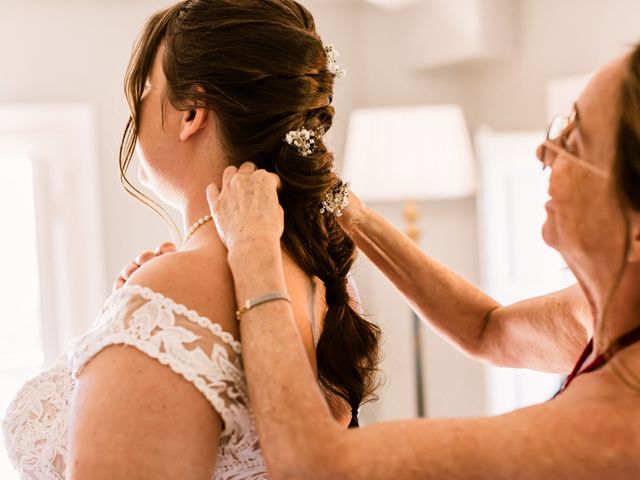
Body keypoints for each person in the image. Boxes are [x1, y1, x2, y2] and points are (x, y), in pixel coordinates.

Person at [195, 46, 640, 478]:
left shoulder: (619, 428)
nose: (543, 153)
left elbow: (313, 465)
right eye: (560, 127)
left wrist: (253, 250)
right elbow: (486, 327)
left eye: (576, 143)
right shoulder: (606, 314)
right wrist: (353, 213)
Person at [1, 1, 380, 479]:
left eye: (147, 88)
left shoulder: (174, 290)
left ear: (192, 113)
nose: (135, 107)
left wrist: (148, 306)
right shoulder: (325, 281)